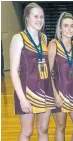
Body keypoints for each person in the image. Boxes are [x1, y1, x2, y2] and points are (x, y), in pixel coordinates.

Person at [9, 3, 55, 141]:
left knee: (44, 129)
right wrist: (22, 99)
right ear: (27, 18)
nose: (39, 20)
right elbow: (13, 72)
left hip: (45, 89)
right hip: (27, 90)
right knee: (27, 131)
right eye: (35, 16)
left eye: (41, 16)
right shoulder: (18, 38)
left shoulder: (44, 38)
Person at [48, 12, 73, 141]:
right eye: (66, 26)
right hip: (59, 92)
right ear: (60, 28)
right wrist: (55, 94)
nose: (69, 29)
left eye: (72, 26)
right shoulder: (53, 45)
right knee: (61, 126)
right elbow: (47, 72)